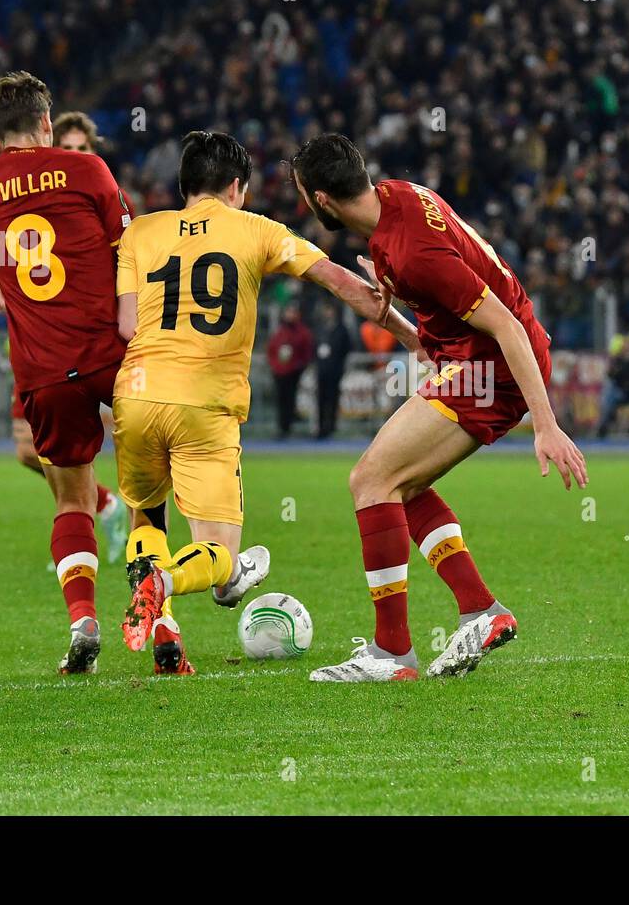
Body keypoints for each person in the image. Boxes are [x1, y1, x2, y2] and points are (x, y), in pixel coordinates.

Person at [116, 131, 423, 674]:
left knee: (146, 510)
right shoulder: (257, 230)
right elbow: (340, 282)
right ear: (237, 187)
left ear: (184, 184)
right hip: (205, 406)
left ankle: (163, 629)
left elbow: (124, 324)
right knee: (220, 556)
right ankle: (160, 585)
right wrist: (411, 336)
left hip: (135, 394)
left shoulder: (141, 232)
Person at [291, 133, 587, 682]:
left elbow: (505, 326)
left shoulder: (410, 253)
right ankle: (481, 611)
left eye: (304, 197)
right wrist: (399, 316)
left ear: (321, 200)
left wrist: (545, 425)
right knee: (404, 482)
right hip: (474, 362)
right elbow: (434, 323)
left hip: (493, 368)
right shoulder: (399, 199)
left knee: (371, 481)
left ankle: (391, 653)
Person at [0, 71, 135, 674]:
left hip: (43, 370)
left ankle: (83, 619)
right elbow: (128, 248)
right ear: (47, 122)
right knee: (150, 485)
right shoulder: (88, 172)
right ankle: (157, 614)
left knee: (71, 499)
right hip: (111, 354)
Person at [0, 109, 127, 564]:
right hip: (39, 346)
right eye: (69, 148)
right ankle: (99, 508)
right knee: (28, 451)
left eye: (84, 148)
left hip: (103, 342)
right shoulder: (22, 201)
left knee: (137, 442)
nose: (77, 154)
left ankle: (131, 543)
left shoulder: (101, 192)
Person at [266, 305, 313, 438]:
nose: (290, 315)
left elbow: (306, 352)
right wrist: (275, 366)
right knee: (281, 401)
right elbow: (271, 350)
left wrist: (298, 366)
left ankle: (288, 427)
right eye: (289, 312)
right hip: (280, 372)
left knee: (291, 401)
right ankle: (282, 427)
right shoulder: (279, 331)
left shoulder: (302, 332)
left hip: (293, 373)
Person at [314, 300, 353, 439]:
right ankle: (320, 428)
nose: (328, 313)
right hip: (322, 369)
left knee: (333, 399)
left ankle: (331, 427)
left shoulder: (341, 329)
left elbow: (347, 347)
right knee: (320, 399)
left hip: (335, 370)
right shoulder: (320, 328)